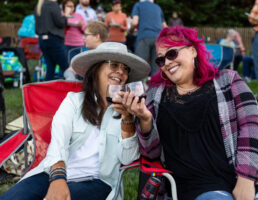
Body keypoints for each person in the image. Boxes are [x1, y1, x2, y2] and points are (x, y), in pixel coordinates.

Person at [120, 26, 258, 200]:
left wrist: (246, 179)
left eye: (172, 54)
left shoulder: (228, 80)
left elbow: (251, 128)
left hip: (249, 176)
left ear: (193, 50)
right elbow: (151, 154)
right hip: (196, 186)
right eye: (161, 60)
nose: (167, 63)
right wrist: (145, 120)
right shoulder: (155, 95)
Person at [0, 42, 150, 200]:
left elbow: (128, 159)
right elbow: (58, 143)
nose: (120, 71)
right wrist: (58, 178)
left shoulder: (128, 111)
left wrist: (128, 120)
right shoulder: (73, 101)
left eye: (125, 68)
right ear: (96, 70)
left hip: (97, 181)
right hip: (53, 172)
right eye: (114, 65)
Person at [34, 0, 69, 81]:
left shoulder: (39, 5)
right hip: (53, 40)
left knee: (50, 68)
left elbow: (36, 28)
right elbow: (60, 23)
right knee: (66, 67)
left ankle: (47, 91)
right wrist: (66, 15)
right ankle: (68, 90)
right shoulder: (53, 4)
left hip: (42, 40)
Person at [131, 0, 167, 76]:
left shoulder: (138, 5)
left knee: (139, 67)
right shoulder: (158, 7)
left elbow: (134, 22)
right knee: (156, 70)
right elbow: (165, 27)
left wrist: (130, 31)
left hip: (144, 37)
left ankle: (139, 86)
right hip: (158, 40)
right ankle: (155, 87)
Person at [63, 0, 86, 65]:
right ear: (64, 6)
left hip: (78, 44)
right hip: (65, 43)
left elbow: (85, 30)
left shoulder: (79, 16)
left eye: (72, 6)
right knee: (65, 64)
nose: (70, 8)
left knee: (77, 64)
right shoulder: (61, 16)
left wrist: (81, 25)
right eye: (68, 6)